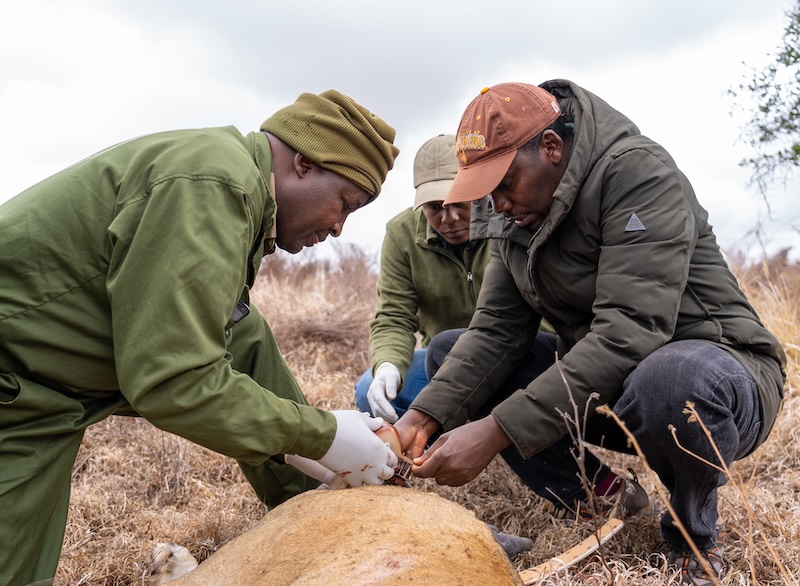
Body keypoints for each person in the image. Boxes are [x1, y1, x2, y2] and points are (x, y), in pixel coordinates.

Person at [0, 90, 401, 585]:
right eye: (345, 203)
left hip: (48, 385)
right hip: (14, 383)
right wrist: (320, 435)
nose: (339, 228)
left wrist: (322, 454)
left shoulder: (240, 195)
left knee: (243, 331)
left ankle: (324, 515)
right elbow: (174, 381)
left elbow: (226, 343)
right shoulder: (214, 183)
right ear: (303, 163)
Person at [394, 81, 786, 585]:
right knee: (448, 350)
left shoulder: (638, 173)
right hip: (618, 386)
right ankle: (599, 496)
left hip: (720, 378)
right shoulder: (512, 204)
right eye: (485, 188)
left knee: (670, 379)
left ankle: (694, 537)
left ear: (552, 149)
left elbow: (629, 333)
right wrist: (421, 419)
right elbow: (495, 331)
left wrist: (495, 431)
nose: (496, 203)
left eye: (505, 183)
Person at [354, 134, 491, 423]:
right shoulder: (401, 235)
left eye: (459, 203)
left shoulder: (508, 216)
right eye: (434, 207)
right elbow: (394, 316)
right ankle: (428, 450)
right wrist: (388, 365)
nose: (449, 217)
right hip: (443, 362)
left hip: (515, 353)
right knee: (371, 388)